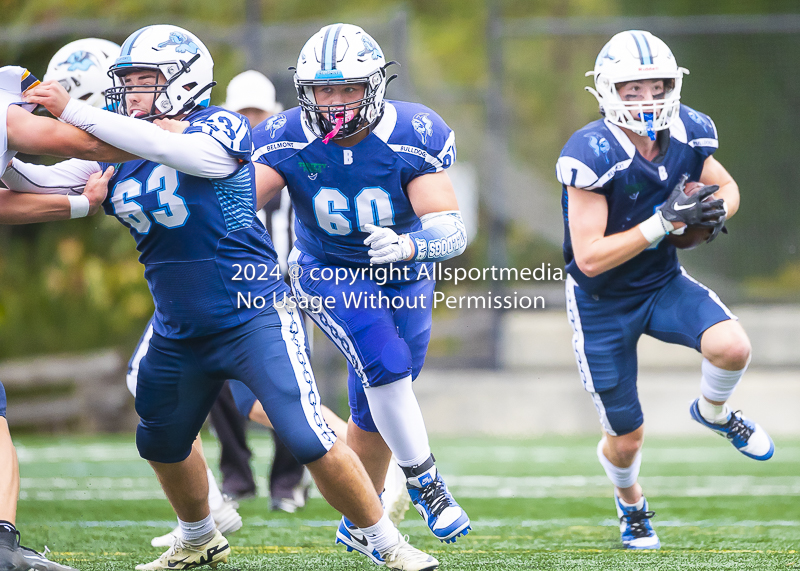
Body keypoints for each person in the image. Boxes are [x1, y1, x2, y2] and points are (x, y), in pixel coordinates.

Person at [19, 24, 439, 571]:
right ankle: (198, 535)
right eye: (127, 81)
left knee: (307, 435)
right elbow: (38, 180)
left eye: (145, 79)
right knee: (161, 442)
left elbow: (168, 149)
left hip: (253, 313)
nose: (131, 92)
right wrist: (7, 144)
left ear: (183, 81)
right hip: (178, 323)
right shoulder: (115, 149)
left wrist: (70, 113)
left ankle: (387, 543)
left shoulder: (218, 127)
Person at [248, 23, 471, 563]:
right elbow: (235, 210)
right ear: (305, 90)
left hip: (405, 271)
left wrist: (410, 247)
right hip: (325, 268)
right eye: (325, 90)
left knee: (377, 402)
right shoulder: (284, 136)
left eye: (348, 88)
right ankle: (425, 481)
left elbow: (452, 230)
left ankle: (360, 519)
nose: (336, 102)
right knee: (387, 362)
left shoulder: (414, 131)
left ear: (374, 86)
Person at [555, 30, 774, 550]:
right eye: (632, 89)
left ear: (673, 85)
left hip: (660, 282)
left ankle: (714, 412)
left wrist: (713, 210)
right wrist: (662, 223)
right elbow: (588, 257)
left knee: (732, 346)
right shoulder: (590, 150)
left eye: (656, 86)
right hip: (601, 302)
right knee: (627, 440)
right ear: (608, 91)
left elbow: (729, 188)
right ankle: (632, 506)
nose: (647, 99)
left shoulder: (691, 130)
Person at [0, 63, 127, 571]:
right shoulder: (9, 112)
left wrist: (78, 206)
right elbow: (88, 146)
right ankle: (2, 546)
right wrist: (161, 134)